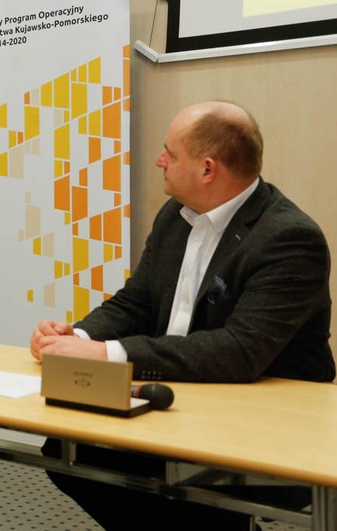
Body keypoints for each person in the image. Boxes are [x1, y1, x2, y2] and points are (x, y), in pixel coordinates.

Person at [30, 100, 335, 530]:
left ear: (208, 169)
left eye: (170, 154)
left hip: (263, 421)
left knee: (177, 490)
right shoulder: (175, 215)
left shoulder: (288, 238)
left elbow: (239, 351)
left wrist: (107, 354)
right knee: (67, 450)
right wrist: (75, 337)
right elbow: (136, 302)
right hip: (180, 396)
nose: (160, 161)